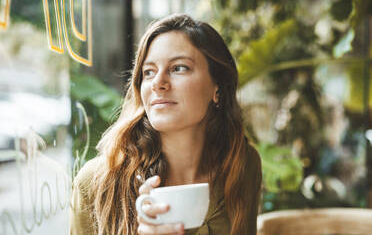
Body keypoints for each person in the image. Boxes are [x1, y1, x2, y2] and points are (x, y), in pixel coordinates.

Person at [69, 14, 262, 235]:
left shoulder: (242, 165)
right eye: (148, 72)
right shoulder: (95, 184)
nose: (158, 83)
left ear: (217, 88)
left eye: (179, 68)